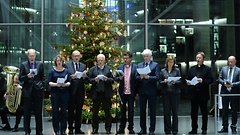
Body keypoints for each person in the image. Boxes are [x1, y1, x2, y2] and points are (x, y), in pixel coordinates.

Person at [19, 49, 45, 135]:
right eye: (30, 56)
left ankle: (39, 131)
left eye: (33, 55)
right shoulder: (24, 65)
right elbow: (20, 78)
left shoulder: (40, 64)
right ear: (28, 56)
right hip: (27, 91)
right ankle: (27, 131)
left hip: (38, 90)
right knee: (27, 112)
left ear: (35, 56)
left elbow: (42, 77)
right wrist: (27, 76)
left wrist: (42, 86)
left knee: (38, 112)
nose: (32, 57)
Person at [186, 52, 213, 134]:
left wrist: (203, 81)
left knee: (204, 113)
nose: (198, 59)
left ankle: (204, 129)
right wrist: (188, 82)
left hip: (203, 94)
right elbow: (188, 78)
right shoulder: (192, 68)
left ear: (203, 59)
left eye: (200, 58)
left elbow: (211, 80)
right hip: (194, 93)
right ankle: (194, 128)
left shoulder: (207, 69)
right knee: (193, 113)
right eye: (197, 57)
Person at [136, 49, 161, 135]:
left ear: (150, 57)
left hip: (151, 91)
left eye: (147, 56)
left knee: (152, 111)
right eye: (144, 56)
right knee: (142, 111)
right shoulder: (139, 65)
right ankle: (143, 129)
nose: (145, 58)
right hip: (142, 91)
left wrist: (149, 77)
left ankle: (151, 129)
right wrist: (141, 77)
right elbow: (136, 77)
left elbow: (158, 77)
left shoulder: (155, 65)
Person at [88, 54, 114, 134]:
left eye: (101, 60)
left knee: (107, 112)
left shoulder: (109, 69)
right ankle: (95, 128)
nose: (100, 62)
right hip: (96, 93)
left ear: (104, 61)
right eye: (98, 60)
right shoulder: (92, 69)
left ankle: (108, 128)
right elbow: (89, 79)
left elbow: (113, 79)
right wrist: (94, 80)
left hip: (106, 93)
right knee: (95, 112)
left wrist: (107, 79)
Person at [65, 50, 87, 134]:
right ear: (72, 57)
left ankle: (78, 128)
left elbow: (85, 78)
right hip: (71, 91)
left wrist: (84, 76)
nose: (77, 57)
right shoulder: (67, 65)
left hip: (80, 92)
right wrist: (71, 77)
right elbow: (65, 76)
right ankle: (70, 128)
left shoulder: (83, 66)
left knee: (79, 111)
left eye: (78, 56)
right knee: (70, 110)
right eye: (75, 56)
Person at [115, 52, 137, 134]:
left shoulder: (135, 67)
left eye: (127, 58)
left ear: (130, 59)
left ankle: (131, 127)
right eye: (124, 58)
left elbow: (137, 79)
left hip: (131, 92)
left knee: (131, 111)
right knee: (122, 111)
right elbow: (115, 77)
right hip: (122, 92)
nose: (125, 60)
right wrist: (119, 78)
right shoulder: (120, 67)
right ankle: (121, 127)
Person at [48, 55, 71, 135]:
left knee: (64, 111)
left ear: (62, 62)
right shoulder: (52, 71)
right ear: (55, 62)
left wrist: (65, 84)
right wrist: (56, 84)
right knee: (55, 112)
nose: (59, 62)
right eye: (57, 61)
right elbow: (49, 82)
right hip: (55, 93)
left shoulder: (66, 71)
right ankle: (56, 130)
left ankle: (63, 129)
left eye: (60, 61)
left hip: (64, 93)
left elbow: (69, 82)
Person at [218, 56, 240, 134]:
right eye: (229, 61)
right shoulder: (224, 69)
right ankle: (224, 127)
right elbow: (219, 78)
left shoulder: (238, 70)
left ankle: (233, 126)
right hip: (225, 92)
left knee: (234, 111)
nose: (230, 63)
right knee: (224, 110)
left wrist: (232, 85)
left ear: (235, 61)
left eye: (232, 62)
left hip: (234, 93)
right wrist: (224, 83)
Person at [160, 56, 181, 134]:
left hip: (175, 93)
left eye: (172, 62)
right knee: (166, 112)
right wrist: (164, 82)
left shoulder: (177, 70)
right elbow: (159, 82)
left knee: (175, 112)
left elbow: (180, 81)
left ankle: (175, 129)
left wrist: (175, 82)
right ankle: (167, 129)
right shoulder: (163, 71)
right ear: (167, 62)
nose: (170, 64)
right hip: (166, 93)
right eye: (169, 62)